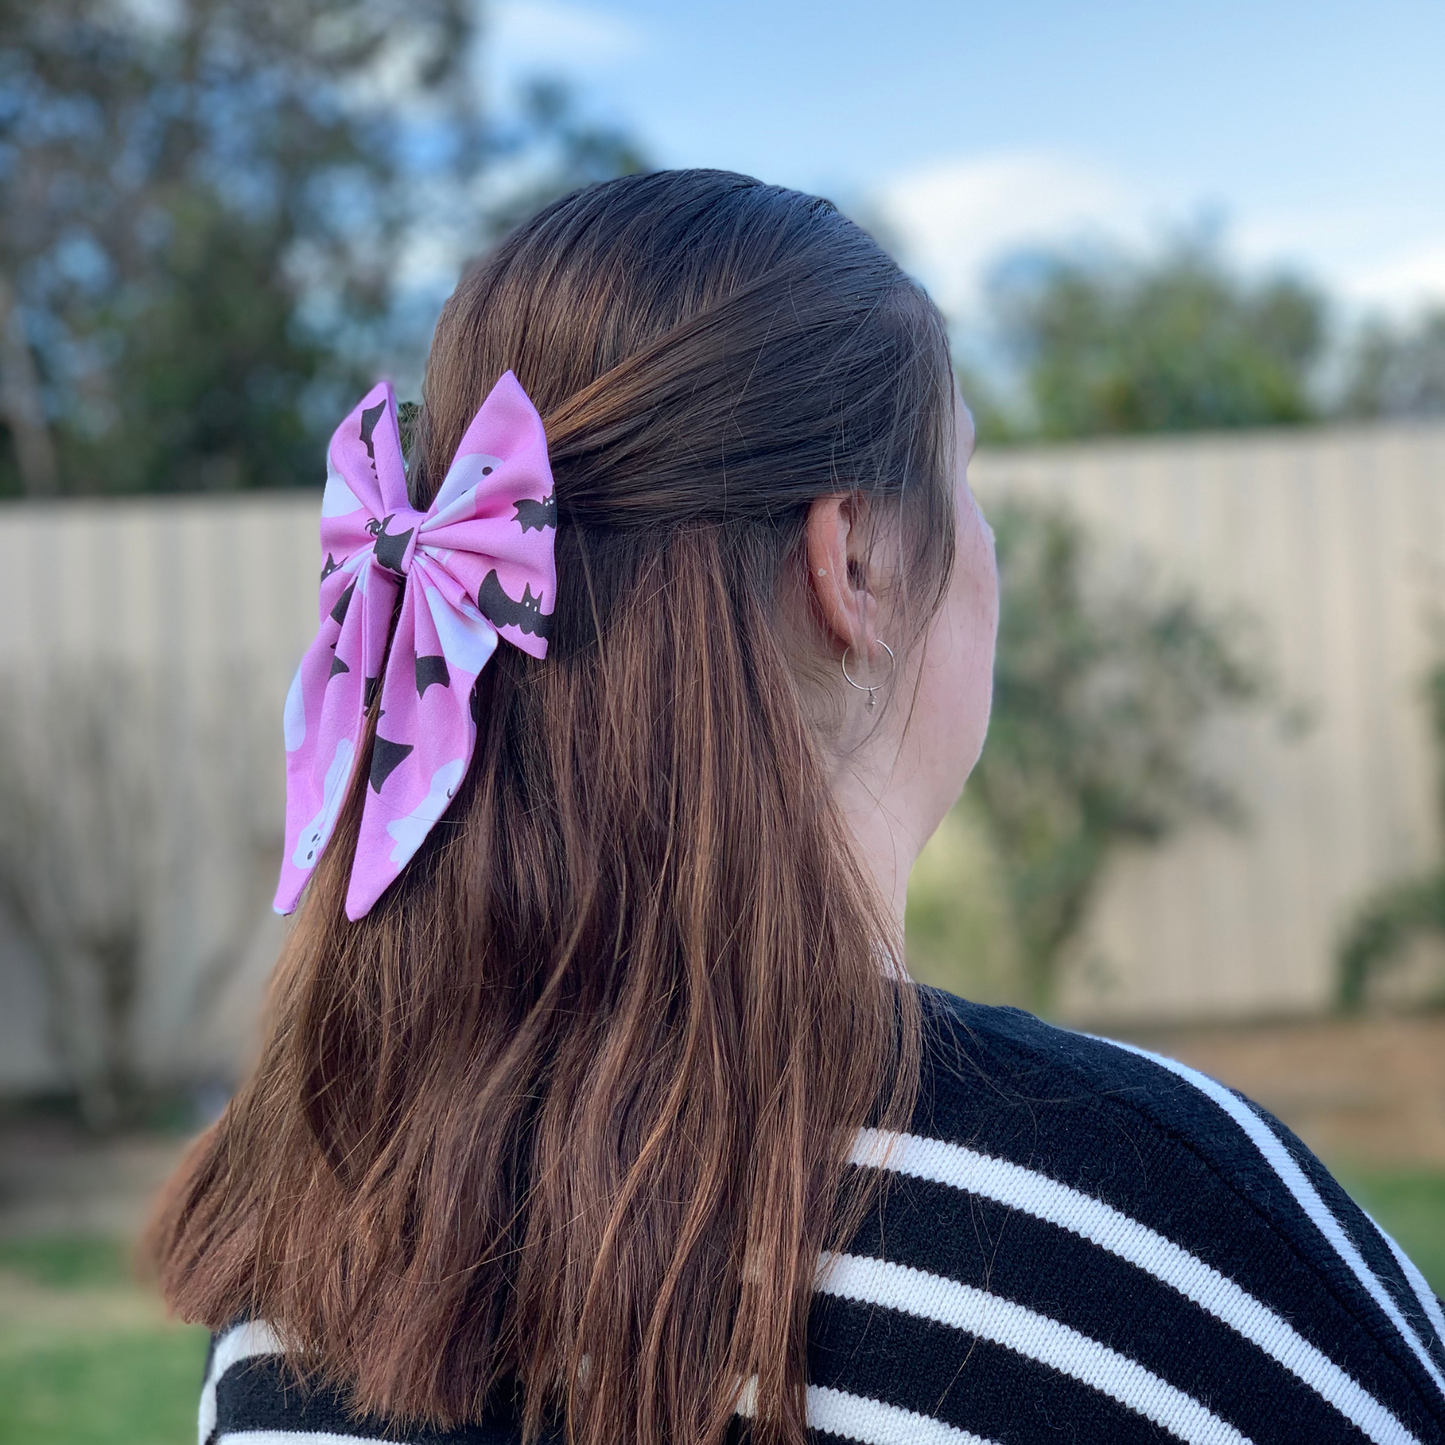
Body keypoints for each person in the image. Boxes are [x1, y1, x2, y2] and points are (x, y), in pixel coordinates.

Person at [147, 170, 1445, 1445]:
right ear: (857, 559)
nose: (984, 541)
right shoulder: (1156, 1234)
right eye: (967, 478)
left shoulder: (291, 1278)